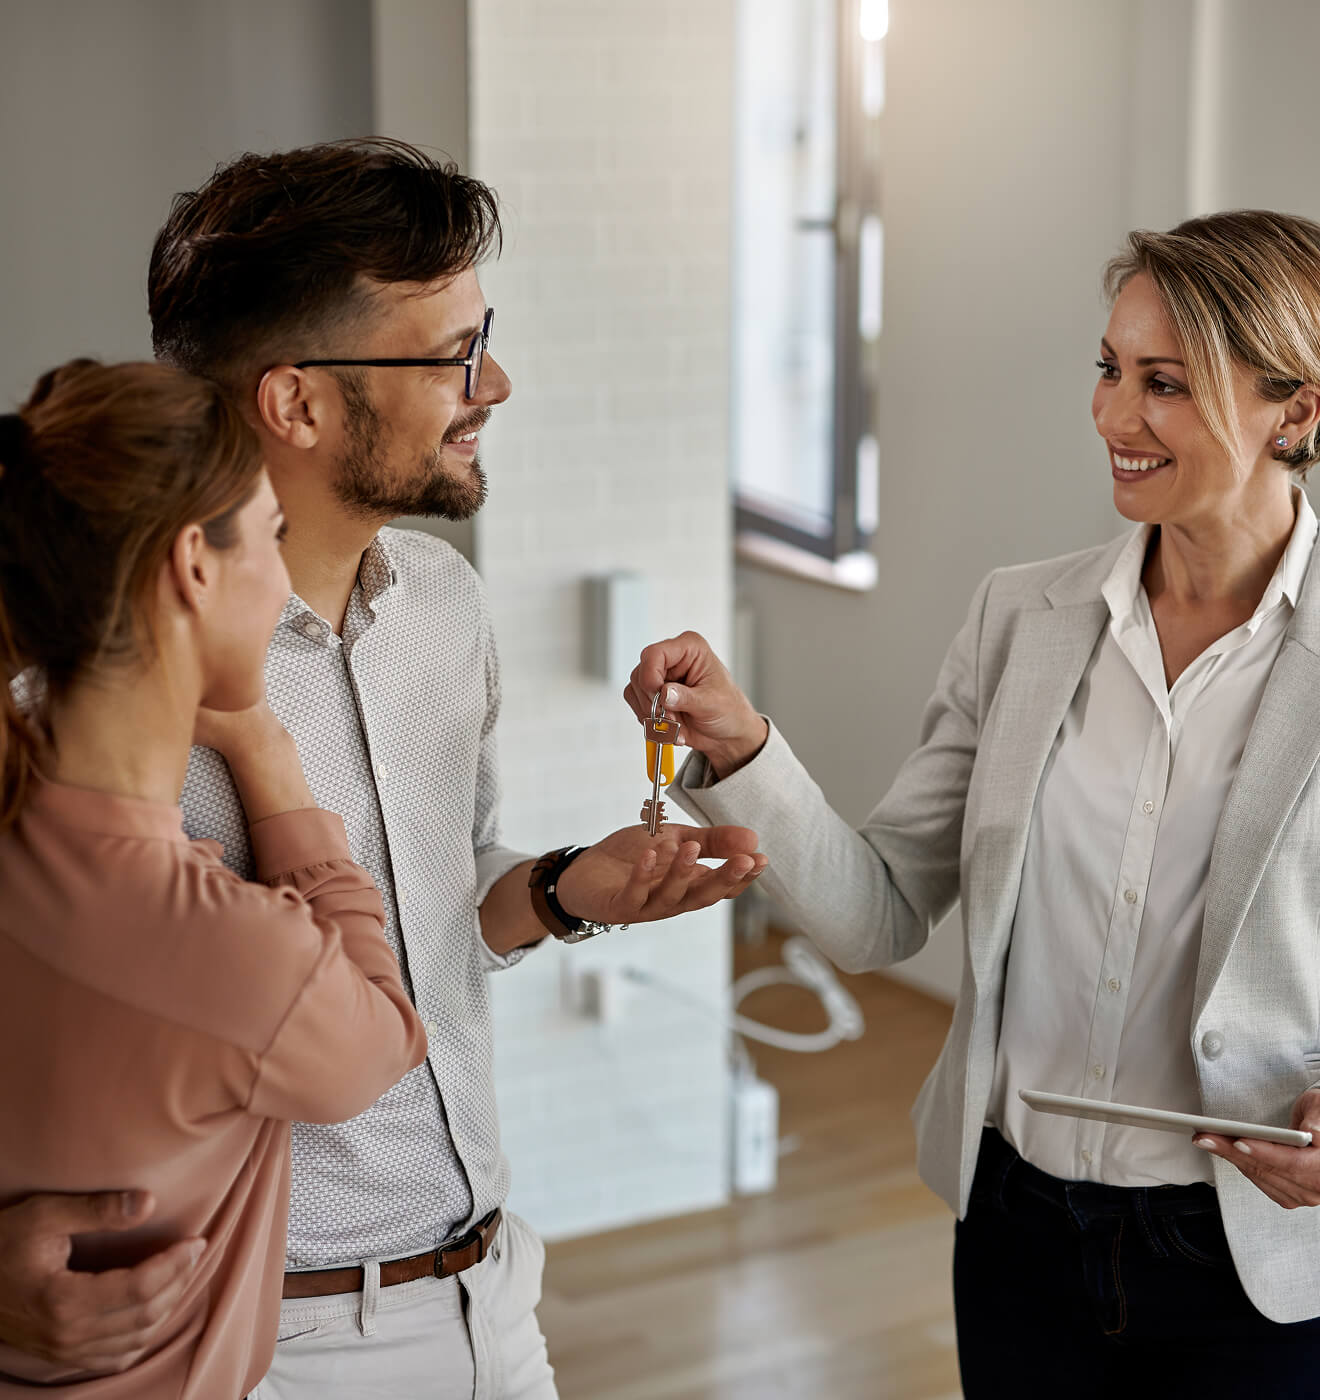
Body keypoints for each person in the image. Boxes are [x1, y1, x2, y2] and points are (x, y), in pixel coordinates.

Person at [628, 210, 1320, 1398]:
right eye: (1109, 369)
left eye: (1164, 382)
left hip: (1268, 1275)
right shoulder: (1020, 620)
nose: (1114, 416)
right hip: (1020, 1244)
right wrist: (744, 747)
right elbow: (882, 911)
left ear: (1297, 410)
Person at [0, 140, 764, 1399]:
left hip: (490, 1293)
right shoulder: (82, 709)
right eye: (455, 353)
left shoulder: (444, 607)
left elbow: (431, 901)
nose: (497, 381)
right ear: (297, 403)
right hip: (258, 1344)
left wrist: (566, 888)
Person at [0, 359, 429, 1398]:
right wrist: (268, 755)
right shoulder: (228, 947)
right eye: (271, 534)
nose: (284, 578)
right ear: (195, 562)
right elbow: (383, 1039)